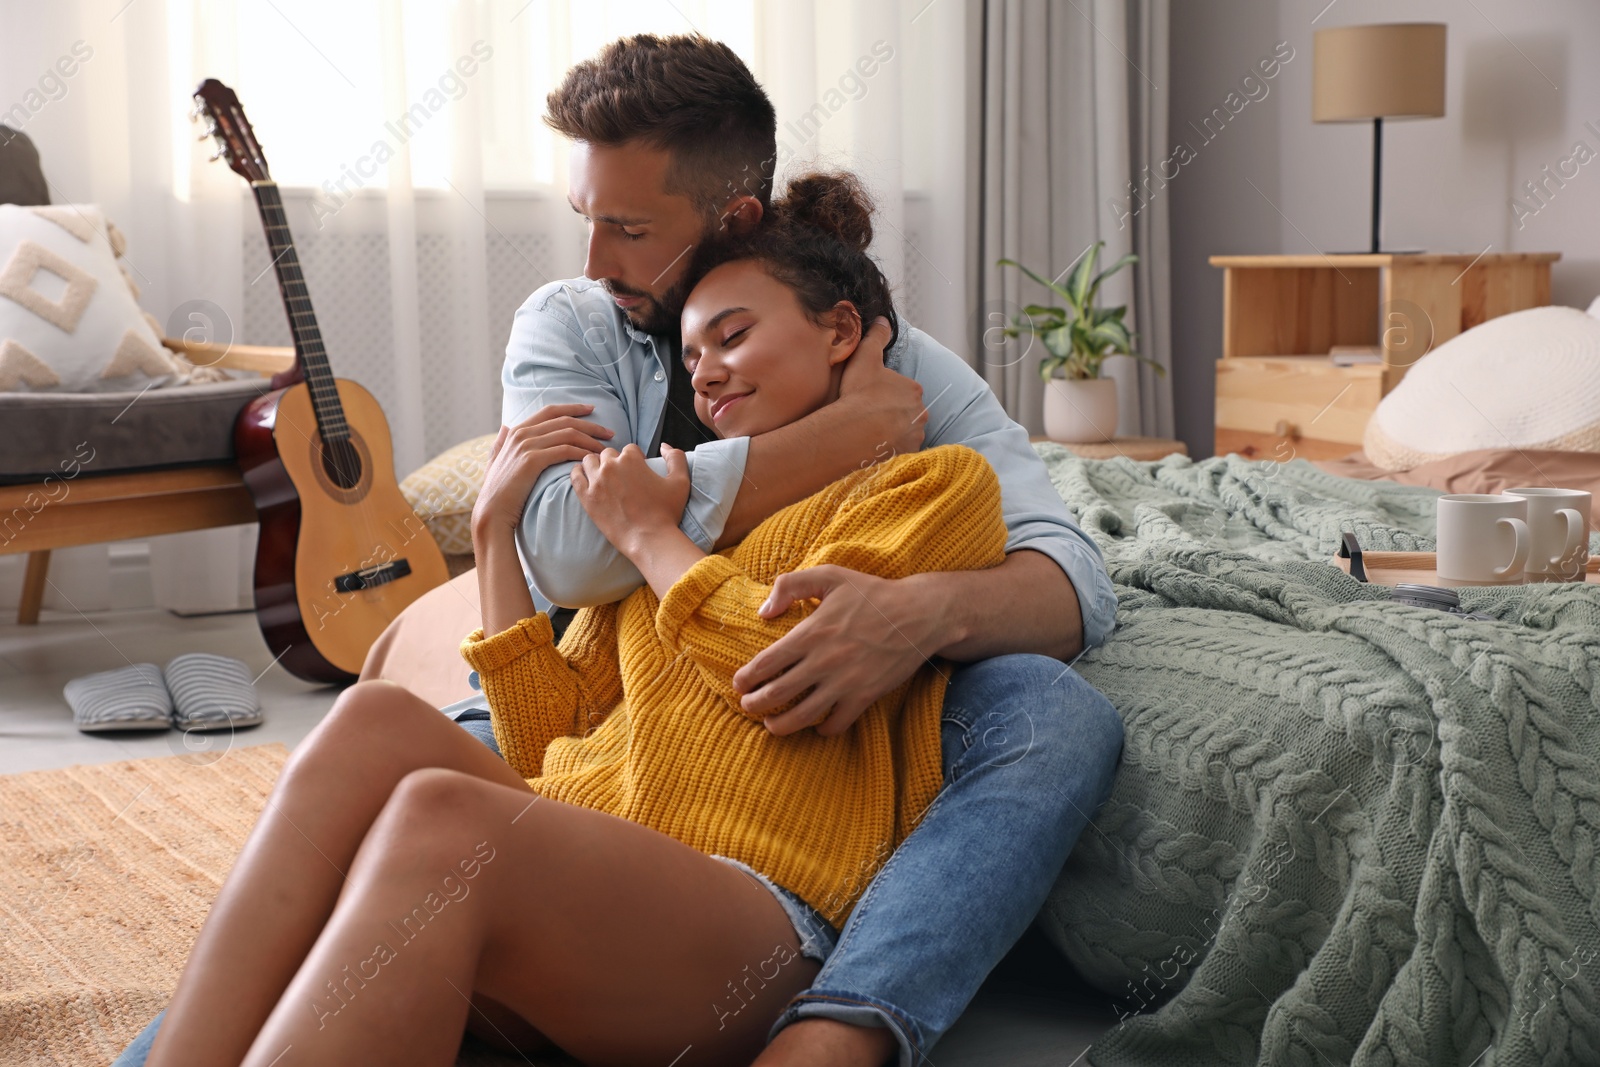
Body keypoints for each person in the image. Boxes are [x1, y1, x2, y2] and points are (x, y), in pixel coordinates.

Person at [117, 33, 1123, 1067]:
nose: (593, 262)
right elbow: (572, 566)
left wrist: (905, 609)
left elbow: (1068, 576)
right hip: (603, 763)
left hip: (745, 864)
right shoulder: (580, 323)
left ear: (749, 237)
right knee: (374, 728)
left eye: (628, 229)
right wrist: (508, 531)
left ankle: (845, 1029)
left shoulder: (912, 426)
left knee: (1052, 710)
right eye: (584, 221)